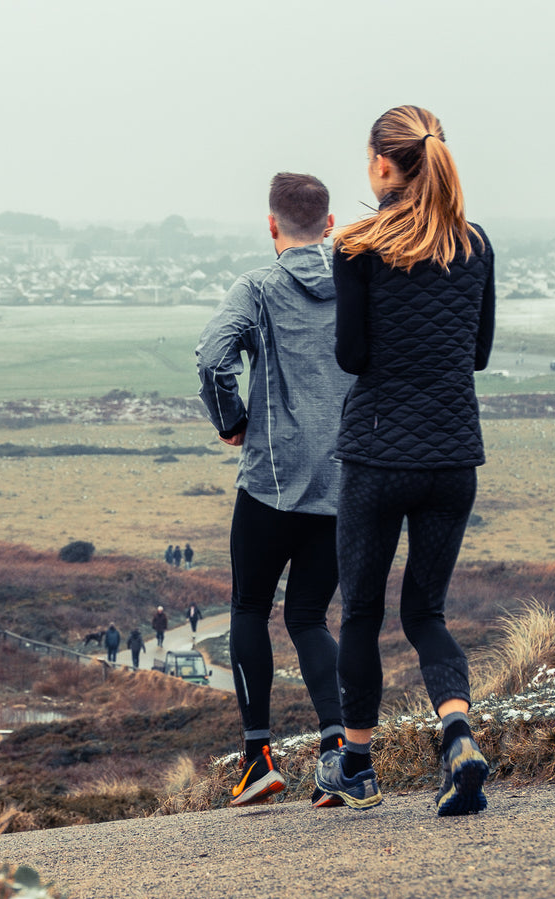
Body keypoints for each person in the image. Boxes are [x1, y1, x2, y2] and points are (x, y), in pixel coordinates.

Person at [312, 106, 496, 817]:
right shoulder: (474, 245)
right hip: (453, 456)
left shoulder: (357, 246)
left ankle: (356, 765)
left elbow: (352, 356)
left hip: (377, 454)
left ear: (384, 166)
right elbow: (476, 353)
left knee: (360, 611)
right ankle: (457, 737)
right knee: (426, 611)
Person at [196, 171, 352, 808]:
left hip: (270, 484)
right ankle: (340, 753)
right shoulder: (356, 280)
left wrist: (230, 419)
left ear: (271, 225)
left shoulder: (258, 287)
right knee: (310, 617)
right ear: (332, 223)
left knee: (249, 610)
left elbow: (212, 356)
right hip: (344, 484)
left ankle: (258, 757)